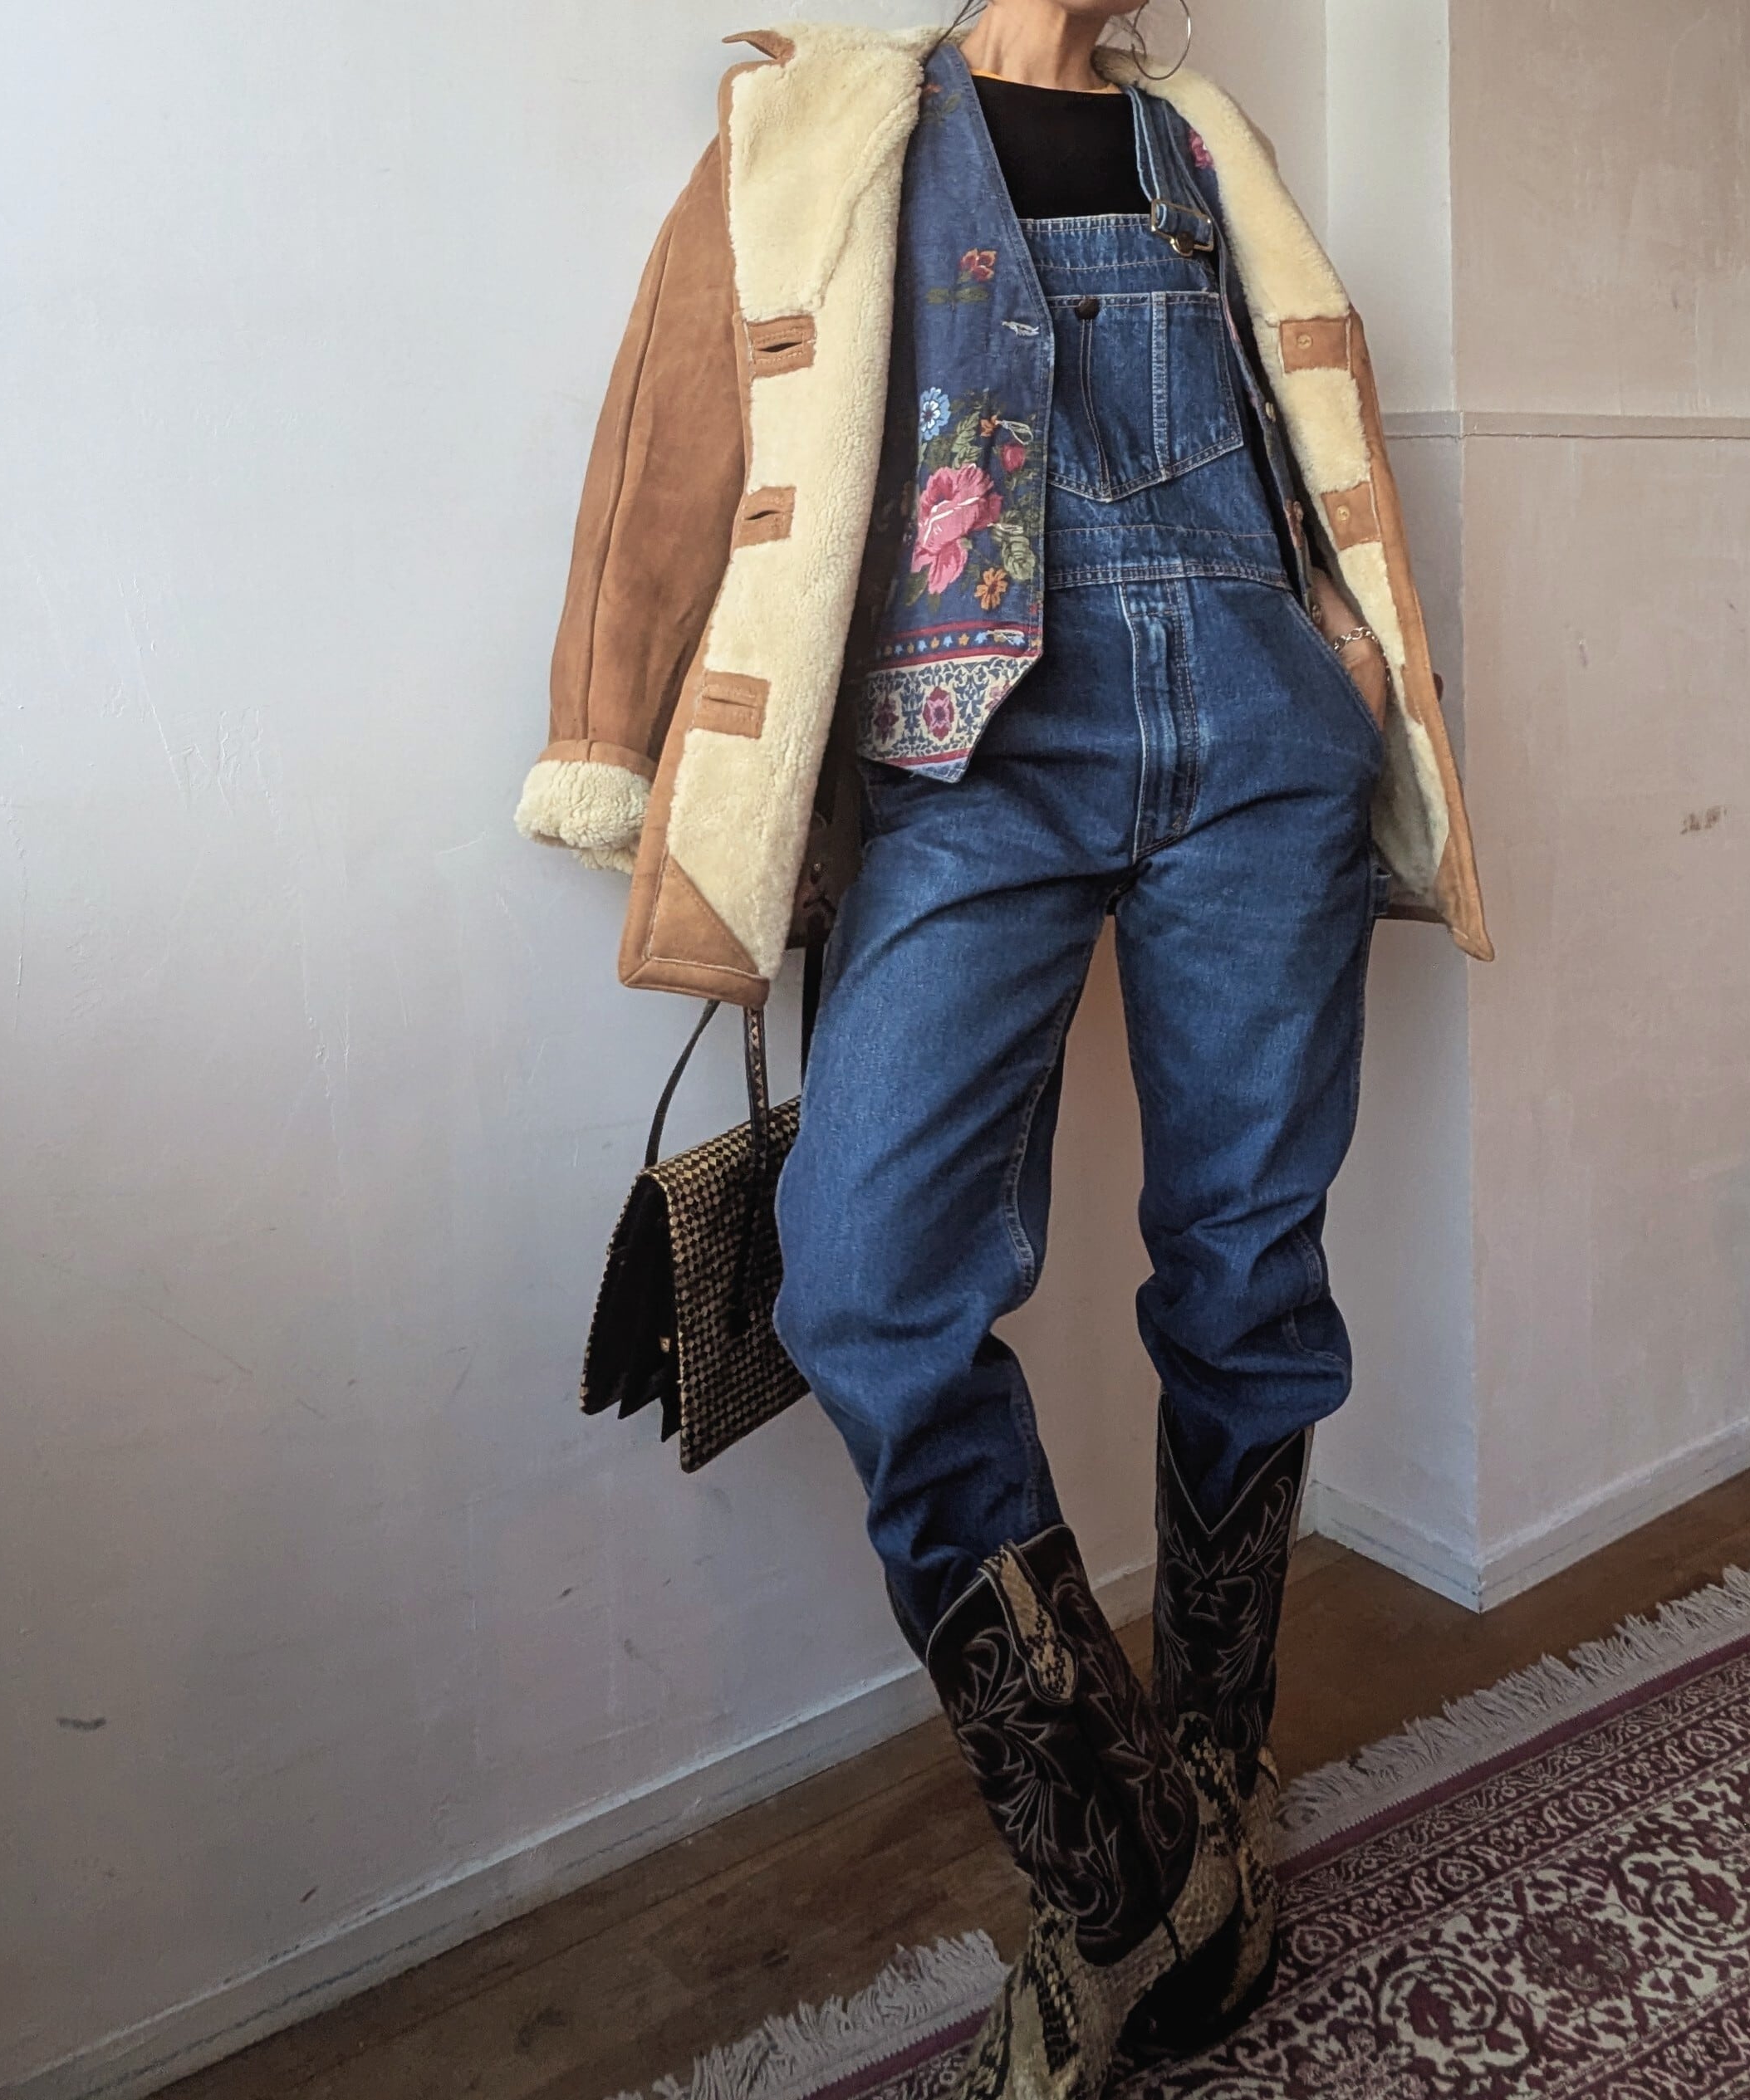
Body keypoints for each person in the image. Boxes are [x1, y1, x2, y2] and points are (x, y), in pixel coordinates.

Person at [516, 3, 1493, 2092]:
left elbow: (1304, 419)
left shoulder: (1201, 140)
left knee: (1247, 1267)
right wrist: (608, 744)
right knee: (867, 1281)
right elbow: (671, 443)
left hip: (1260, 753)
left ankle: (1215, 1782)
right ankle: (1132, 1873)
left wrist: (1338, 636)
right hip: (971, 766)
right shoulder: (820, 127)